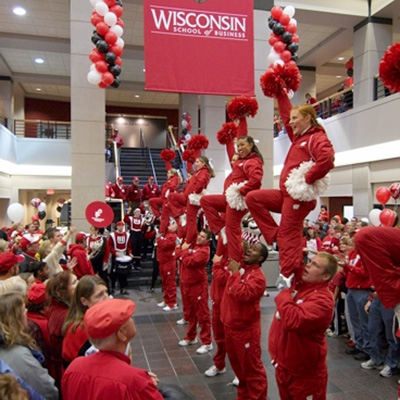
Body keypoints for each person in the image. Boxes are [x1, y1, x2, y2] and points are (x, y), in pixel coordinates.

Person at [246, 95, 335, 283]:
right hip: (286, 195)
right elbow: (286, 113)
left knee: (289, 234)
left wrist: (308, 179)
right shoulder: (298, 137)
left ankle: (288, 275)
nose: (290, 121)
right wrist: (279, 91)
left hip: (298, 198)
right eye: (291, 118)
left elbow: (327, 159)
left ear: (307, 118)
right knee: (253, 198)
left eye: (296, 118)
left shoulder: (316, 138)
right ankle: (274, 235)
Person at [61, 298, 164, 400]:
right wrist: (143, 383)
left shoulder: (74, 367)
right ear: (121, 333)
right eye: (130, 317)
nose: (133, 319)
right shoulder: (135, 382)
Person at [269, 252, 337, 400]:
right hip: (285, 365)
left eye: (315, 265)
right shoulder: (303, 287)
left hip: (305, 374)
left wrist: (283, 292)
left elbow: (293, 320)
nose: (308, 265)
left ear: (326, 276)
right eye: (310, 261)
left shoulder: (323, 300)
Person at [200, 136, 263, 263]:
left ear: (251, 145)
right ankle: (219, 228)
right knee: (205, 201)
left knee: (232, 231)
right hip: (228, 199)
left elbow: (256, 181)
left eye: (242, 145)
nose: (239, 148)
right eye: (237, 145)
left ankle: (235, 261)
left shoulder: (252, 162)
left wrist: (241, 191)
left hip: (237, 201)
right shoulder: (239, 163)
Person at [220, 242, 268, 400]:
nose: (249, 251)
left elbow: (242, 295)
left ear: (260, 258)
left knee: (252, 372)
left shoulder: (258, 277)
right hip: (231, 327)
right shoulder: (242, 269)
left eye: (254, 250)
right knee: (240, 371)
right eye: (250, 248)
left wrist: (235, 274)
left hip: (245, 332)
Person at [0, 292, 59, 400]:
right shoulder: (19, 355)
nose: (27, 311)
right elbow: (46, 389)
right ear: (15, 318)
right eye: (23, 309)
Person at [176, 229, 213, 354]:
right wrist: (183, 251)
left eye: (203, 237)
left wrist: (184, 251)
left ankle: (207, 342)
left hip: (198, 285)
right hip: (187, 283)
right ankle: (191, 337)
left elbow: (189, 262)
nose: (199, 238)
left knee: (202, 313)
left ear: (208, 240)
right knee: (190, 312)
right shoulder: (194, 246)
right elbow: (177, 254)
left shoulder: (204, 251)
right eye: (199, 235)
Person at [62, 275, 109, 367]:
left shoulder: (95, 320)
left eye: (106, 292)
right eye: (100, 295)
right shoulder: (81, 329)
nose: (106, 297)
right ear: (84, 301)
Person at [168, 156, 214, 245]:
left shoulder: (204, 172)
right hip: (187, 197)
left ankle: (189, 241)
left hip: (193, 199)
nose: (195, 164)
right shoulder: (198, 172)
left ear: (203, 163)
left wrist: (196, 192)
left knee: (191, 221)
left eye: (197, 162)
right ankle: (180, 215)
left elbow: (201, 183)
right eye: (195, 162)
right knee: (171, 197)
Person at [46, 270, 78, 387]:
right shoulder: (65, 316)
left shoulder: (58, 309)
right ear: (61, 292)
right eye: (74, 282)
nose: (79, 284)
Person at [149, 168, 181, 235]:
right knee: (151, 201)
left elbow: (173, 187)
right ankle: (158, 215)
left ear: (172, 174)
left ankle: (162, 231)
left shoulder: (175, 178)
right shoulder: (169, 180)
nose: (167, 174)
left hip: (167, 200)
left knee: (165, 217)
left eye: (169, 173)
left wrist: (167, 185)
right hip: (163, 198)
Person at [156, 221, 178, 311]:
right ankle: (166, 299)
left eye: (173, 224)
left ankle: (172, 303)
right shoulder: (166, 235)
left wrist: (159, 239)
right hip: (163, 261)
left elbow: (164, 245)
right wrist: (161, 239)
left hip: (169, 262)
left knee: (170, 282)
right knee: (164, 281)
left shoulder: (173, 236)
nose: (169, 225)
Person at [107, 221, 132, 295]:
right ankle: (113, 288)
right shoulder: (112, 235)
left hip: (123, 255)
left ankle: (123, 288)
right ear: (117, 227)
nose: (121, 227)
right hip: (115, 256)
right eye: (119, 226)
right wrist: (115, 253)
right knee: (113, 273)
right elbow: (109, 246)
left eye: (122, 226)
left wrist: (130, 252)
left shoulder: (127, 235)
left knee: (123, 273)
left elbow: (129, 246)